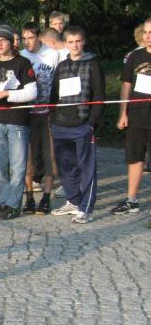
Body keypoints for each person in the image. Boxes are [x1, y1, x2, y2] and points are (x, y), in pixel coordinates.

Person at [49, 26, 105, 224]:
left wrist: (92, 123)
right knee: (66, 167)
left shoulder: (93, 64)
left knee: (86, 168)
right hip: (61, 125)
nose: (75, 45)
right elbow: (53, 95)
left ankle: (86, 208)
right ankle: (73, 201)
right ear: (65, 44)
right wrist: (53, 120)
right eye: (71, 42)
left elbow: (99, 96)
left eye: (78, 41)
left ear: (84, 42)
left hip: (83, 125)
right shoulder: (62, 66)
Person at [0, 25, 38, 220]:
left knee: (18, 166)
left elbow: (32, 92)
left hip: (17, 121)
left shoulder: (23, 62)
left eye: (3, 40)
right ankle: (0, 200)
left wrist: (6, 94)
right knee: (1, 166)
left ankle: (14, 204)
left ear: (11, 43)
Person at [20, 21, 61, 214]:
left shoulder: (52, 54)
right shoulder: (21, 56)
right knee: (28, 158)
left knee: (49, 155)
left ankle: (46, 197)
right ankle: (29, 197)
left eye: (30, 37)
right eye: (24, 38)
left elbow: (59, 81)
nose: (27, 42)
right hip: (27, 114)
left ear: (39, 37)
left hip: (47, 114)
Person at [113, 18, 151, 215]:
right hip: (137, 116)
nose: (148, 36)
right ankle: (132, 200)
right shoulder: (135, 56)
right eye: (145, 32)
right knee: (135, 157)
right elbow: (126, 85)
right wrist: (123, 112)